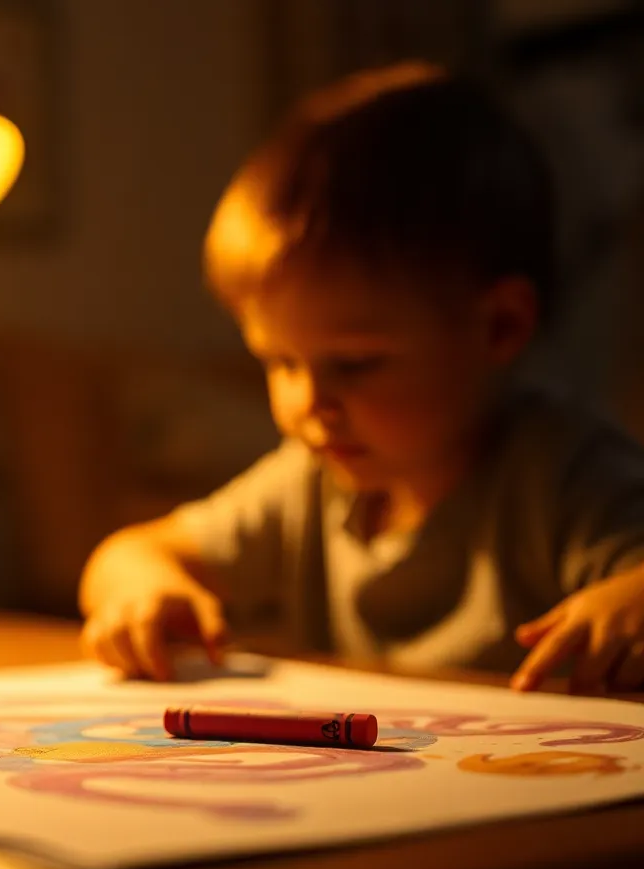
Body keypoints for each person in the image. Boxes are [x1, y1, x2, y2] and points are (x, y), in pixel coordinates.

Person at [78, 62, 644, 695]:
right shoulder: (310, 484)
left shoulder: (563, 475)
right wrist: (142, 590)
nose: (308, 403)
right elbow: (129, 552)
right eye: (280, 362)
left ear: (500, 328)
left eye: (355, 364)